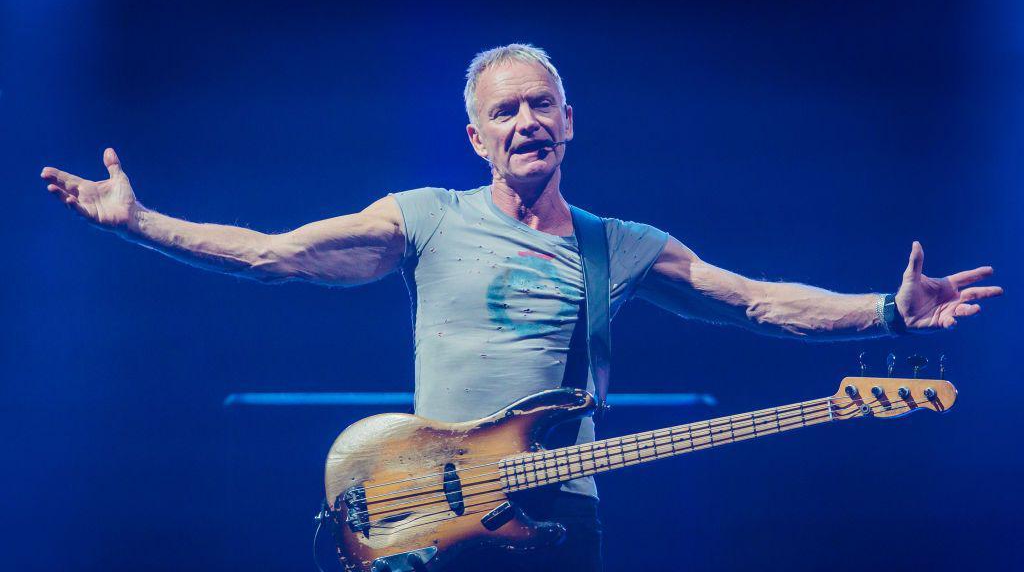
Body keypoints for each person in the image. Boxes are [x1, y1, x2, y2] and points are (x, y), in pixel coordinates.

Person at [40, 44, 1001, 571]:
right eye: (504, 111)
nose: (526, 121)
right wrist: (138, 223)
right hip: (425, 514)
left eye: (541, 105)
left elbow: (756, 303)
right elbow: (274, 258)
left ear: (570, 121)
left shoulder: (615, 242)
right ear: (474, 135)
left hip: (558, 520)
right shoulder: (424, 217)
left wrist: (887, 310)